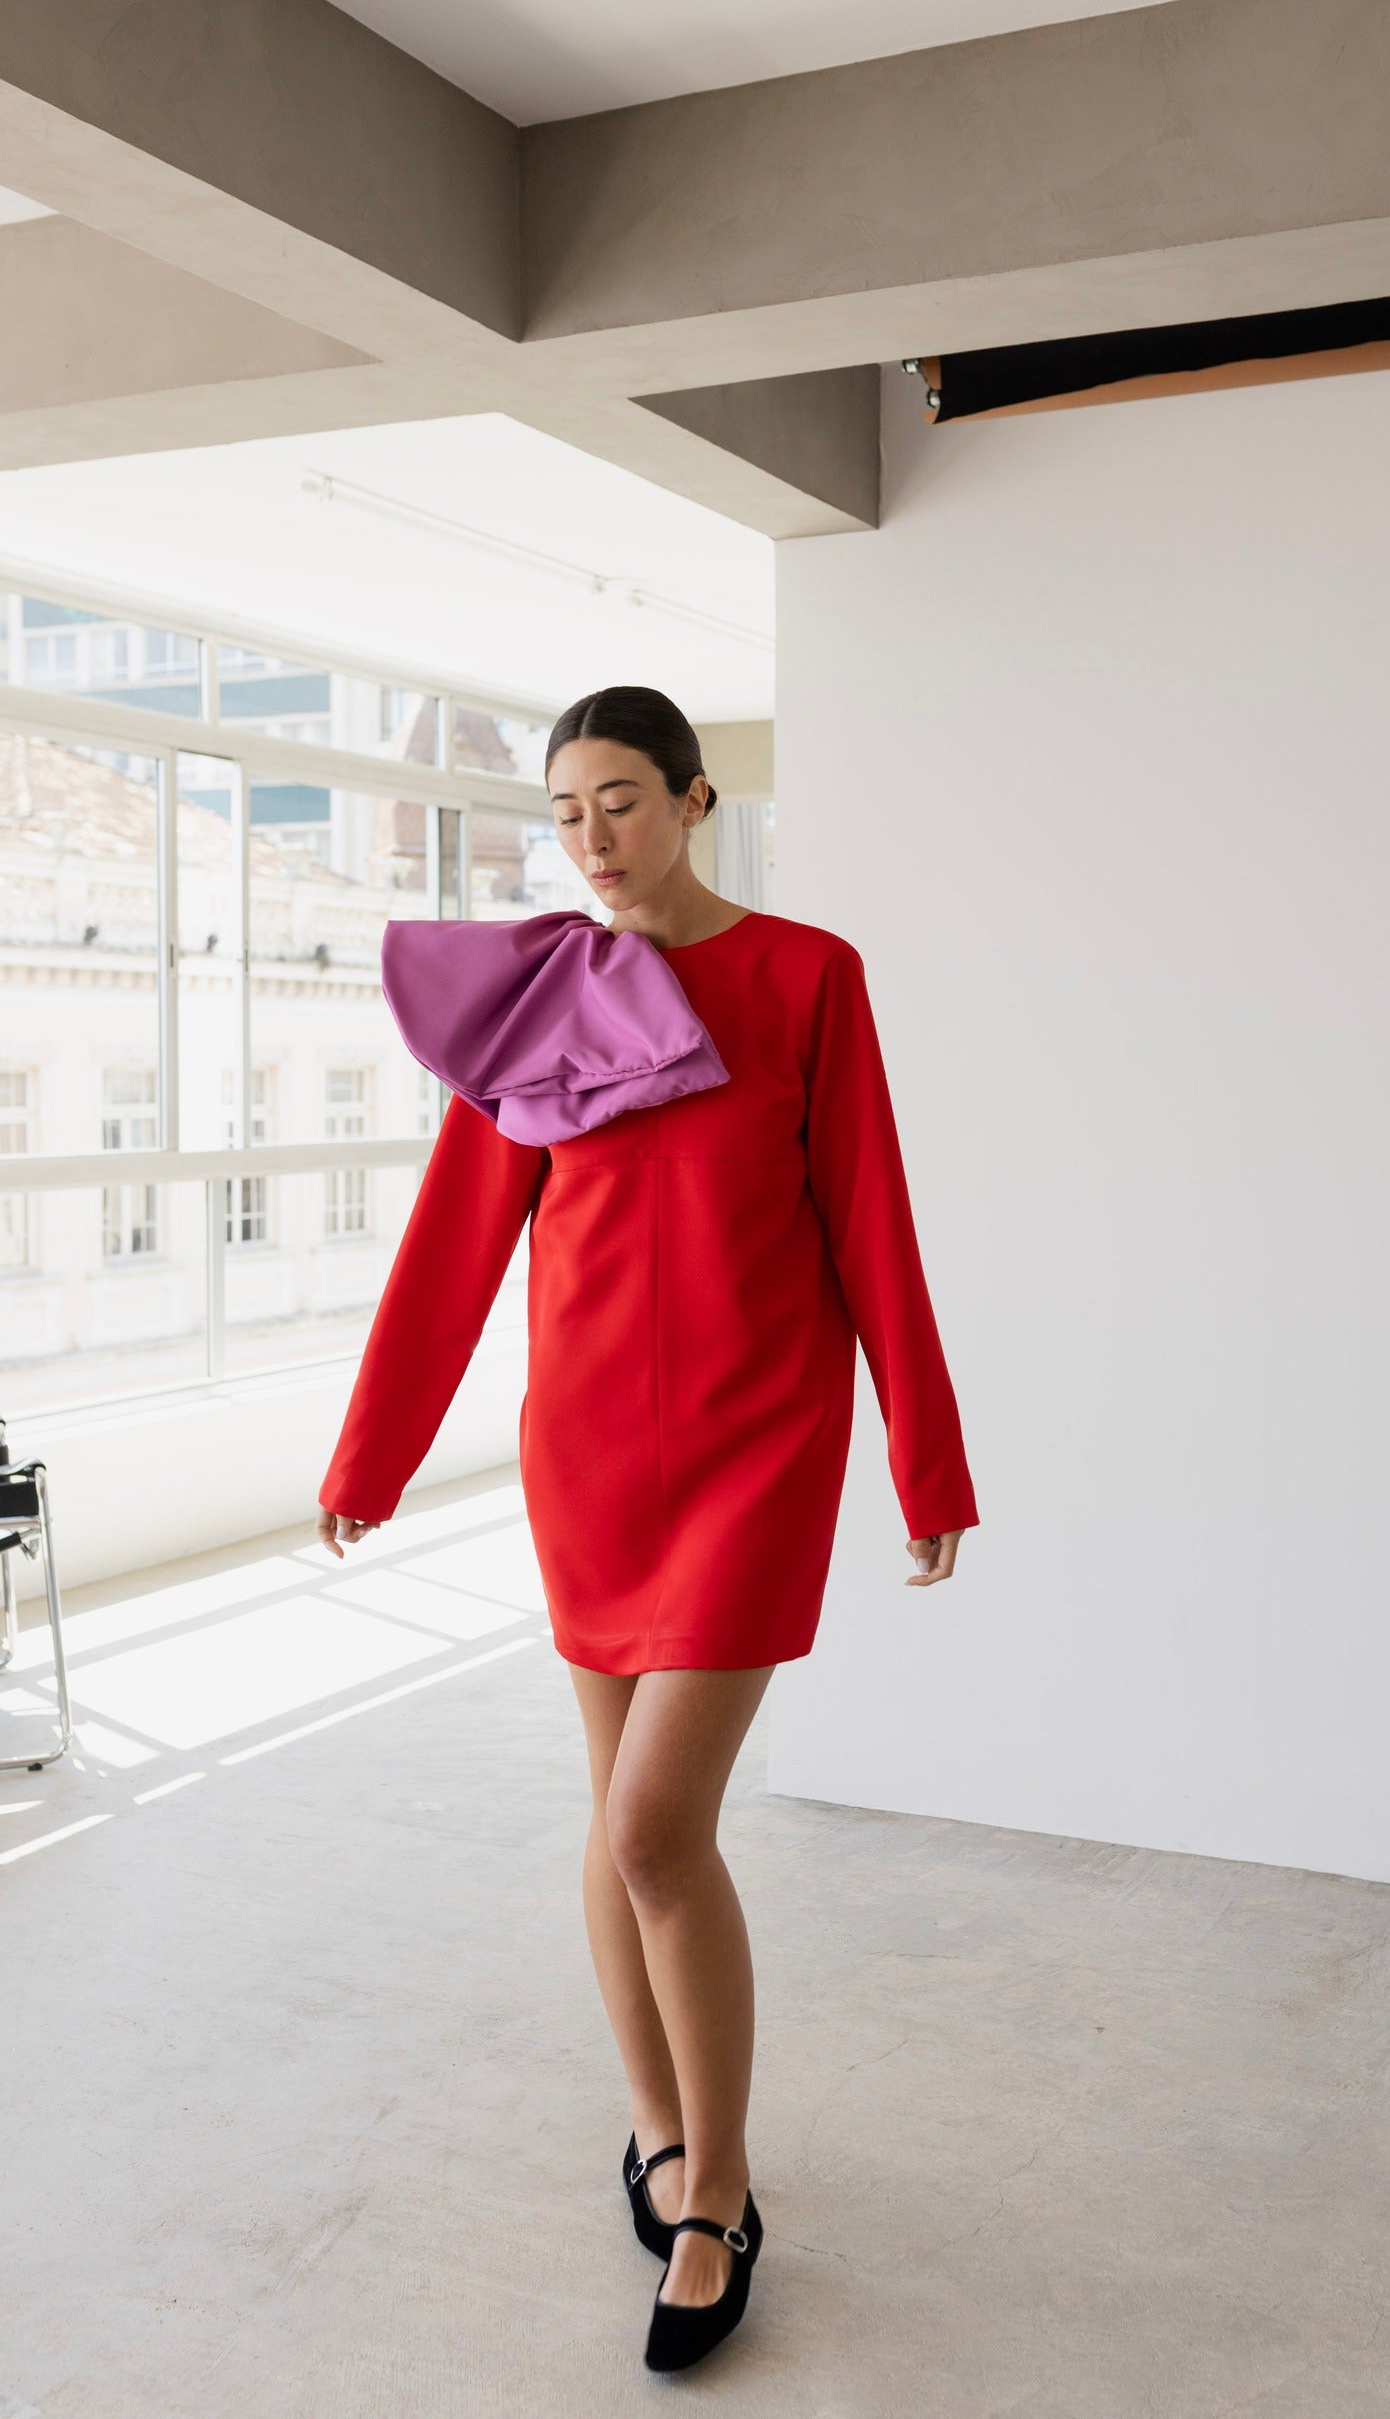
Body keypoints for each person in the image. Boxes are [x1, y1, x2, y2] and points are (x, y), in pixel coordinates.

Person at [315, 683, 979, 2371]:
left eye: (620, 800)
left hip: (759, 1449)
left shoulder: (808, 976)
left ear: (694, 802)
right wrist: (372, 1452)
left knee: (655, 1830)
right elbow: (455, 1242)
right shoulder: (539, 996)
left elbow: (874, 1221)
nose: (592, 838)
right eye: (564, 812)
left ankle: (721, 2192)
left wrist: (929, 1460)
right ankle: (658, 2126)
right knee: (614, 1821)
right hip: (591, 1455)